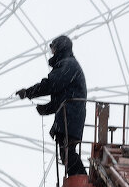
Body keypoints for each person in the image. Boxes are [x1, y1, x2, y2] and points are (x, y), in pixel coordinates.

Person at [16, 34, 88, 177]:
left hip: (71, 116)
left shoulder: (68, 64)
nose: (53, 52)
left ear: (60, 48)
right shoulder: (67, 64)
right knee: (66, 153)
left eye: (54, 49)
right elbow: (61, 96)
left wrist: (28, 92)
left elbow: (51, 85)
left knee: (68, 153)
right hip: (69, 116)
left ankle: (81, 180)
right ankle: (80, 180)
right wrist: (47, 108)